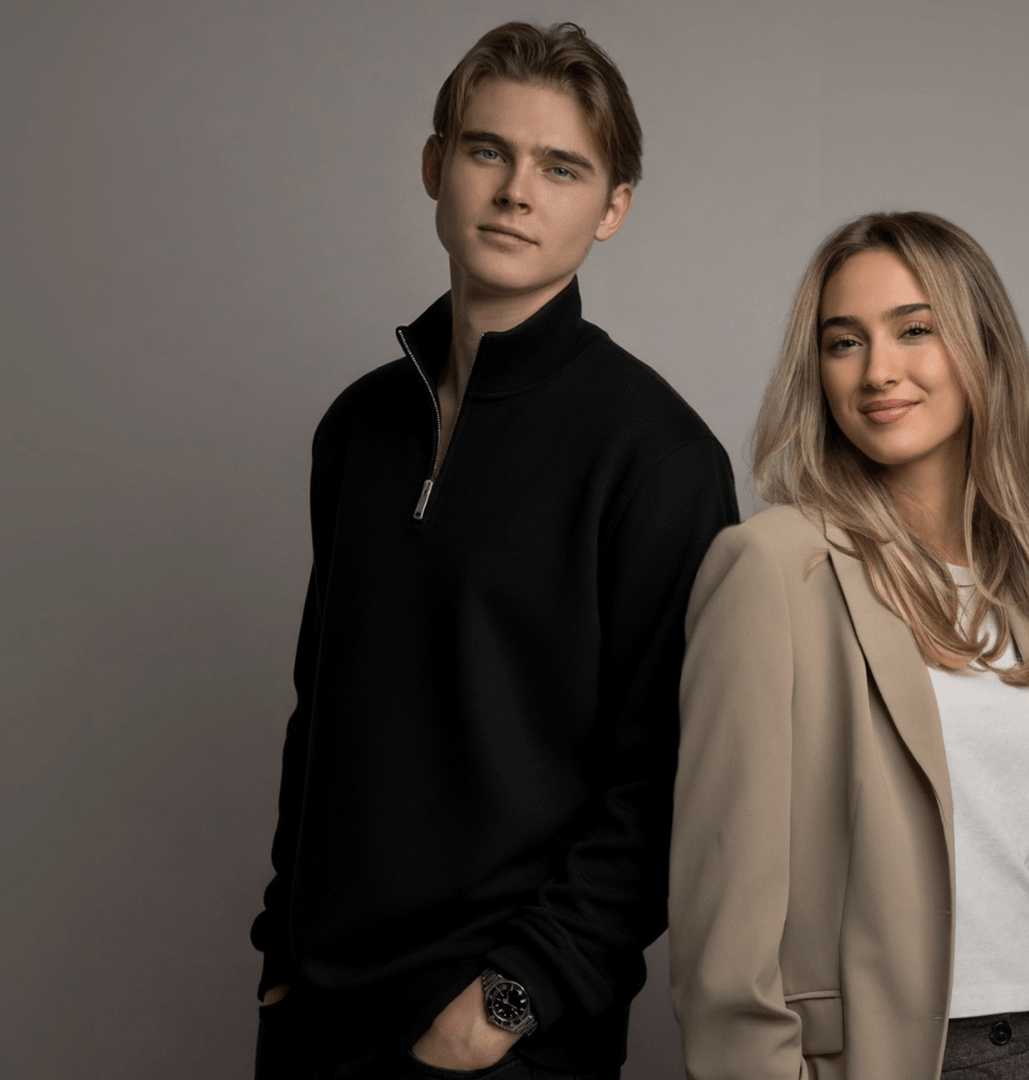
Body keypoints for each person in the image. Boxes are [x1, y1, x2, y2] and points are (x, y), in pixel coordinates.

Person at [250, 22, 737, 1079]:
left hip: (503, 1039)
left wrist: (511, 1004)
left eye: (561, 168)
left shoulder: (658, 457)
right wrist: (279, 957)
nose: (517, 192)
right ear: (436, 166)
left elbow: (668, 783)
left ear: (612, 208)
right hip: (314, 1022)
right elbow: (317, 712)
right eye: (488, 152)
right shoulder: (359, 429)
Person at [669, 212, 1029, 1080]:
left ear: (984, 348)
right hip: (906, 1056)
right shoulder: (773, 567)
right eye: (844, 342)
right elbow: (722, 918)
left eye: (915, 330)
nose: (878, 370)